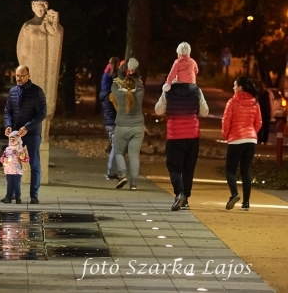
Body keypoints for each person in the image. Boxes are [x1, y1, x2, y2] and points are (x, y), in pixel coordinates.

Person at [155, 79, 209, 211]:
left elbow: (158, 110)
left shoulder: (168, 91)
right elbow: (205, 111)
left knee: (174, 168)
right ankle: (185, 199)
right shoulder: (196, 90)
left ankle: (180, 193)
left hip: (175, 136)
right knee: (188, 169)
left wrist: (165, 93)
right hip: (192, 135)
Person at [3, 65, 47, 204]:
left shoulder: (37, 92)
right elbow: (7, 111)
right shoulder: (13, 91)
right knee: (13, 164)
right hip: (16, 134)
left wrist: (28, 127)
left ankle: (34, 195)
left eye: (22, 76)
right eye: (17, 76)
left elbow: (42, 113)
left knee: (34, 164)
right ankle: (13, 194)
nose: (19, 78)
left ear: (28, 75)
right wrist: (8, 125)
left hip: (32, 132)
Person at [222, 76, 262, 211]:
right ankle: (246, 203)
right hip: (251, 140)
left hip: (236, 139)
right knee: (245, 171)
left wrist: (226, 135)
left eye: (234, 86)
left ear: (239, 87)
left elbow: (226, 121)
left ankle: (234, 194)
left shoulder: (232, 102)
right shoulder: (255, 103)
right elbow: (259, 123)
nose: (233, 88)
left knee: (230, 171)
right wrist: (251, 134)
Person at [111, 75, 145, 191]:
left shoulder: (119, 94)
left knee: (119, 152)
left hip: (121, 127)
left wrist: (118, 80)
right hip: (138, 128)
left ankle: (123, 174)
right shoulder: (139, 93)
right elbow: (140, 85)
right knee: (134, 155)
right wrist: (137, 79)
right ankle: (134, 183)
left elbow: (113, 86)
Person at [100, 57, 120, 180]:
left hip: (109, 121)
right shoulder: (112, 95)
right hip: (114, 121)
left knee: (116, 146)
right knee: (116, 146)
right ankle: (111, 173)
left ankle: (112, 172)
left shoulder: (105, 92)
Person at [0, 130, 30, 204]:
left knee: (17, 184)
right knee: (9, 184)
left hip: (18, 170)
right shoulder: (7, 149)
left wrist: (23, 158)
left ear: (18, 140)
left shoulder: (21, 149)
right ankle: (8, 197)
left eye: (14, 139)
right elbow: (2, 157)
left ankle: (18, 197)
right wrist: (4, 160)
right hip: (8, 169)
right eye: (10, 139)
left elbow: (26, 159)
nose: (12, 141)